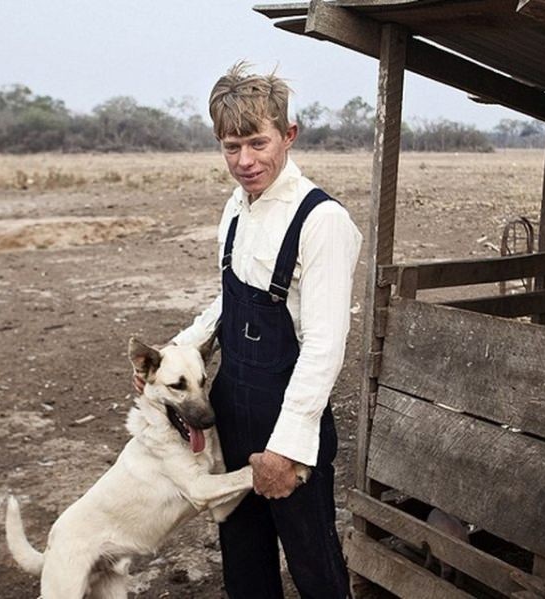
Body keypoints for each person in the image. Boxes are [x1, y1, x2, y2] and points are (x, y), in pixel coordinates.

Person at [139, 62, 361, 598]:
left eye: (258, 144)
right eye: (230, 146)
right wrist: (176, 354)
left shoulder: (321, 221)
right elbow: (229, 300)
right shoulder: (236, 210)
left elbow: (325, 346)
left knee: (314, 565)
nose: (245, 161)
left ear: (289, 136)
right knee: (244, 562)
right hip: (230, 411)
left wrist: (286, 450)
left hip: (290, 420)